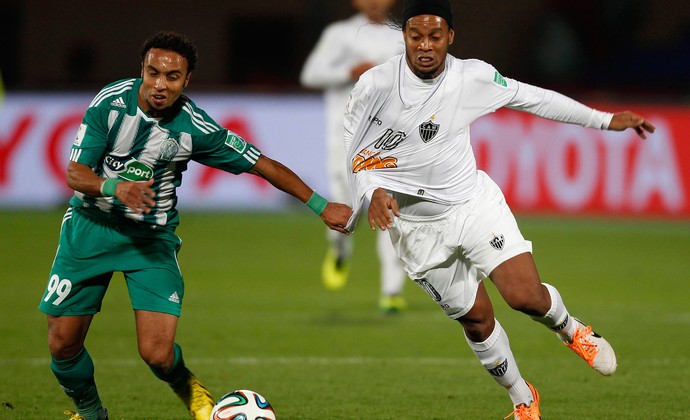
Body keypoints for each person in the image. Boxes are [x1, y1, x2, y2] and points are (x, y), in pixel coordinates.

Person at [343, 0, 655, 418]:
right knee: (476, 320)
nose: (425, 45)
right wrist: (372, 190)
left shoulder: (472, 76)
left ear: (450, 37)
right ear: (404, 37)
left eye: (435, 36)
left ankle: (571, 329)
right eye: (416, 36)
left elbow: (534, 98)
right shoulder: (374, 85)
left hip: (472, 205)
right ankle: (524, 400)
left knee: (524, 296)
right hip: (415, 228)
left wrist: (603, 120)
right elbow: (354, 149)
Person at [39, 31, 352, 420]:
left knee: (157, 353)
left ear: (186, 81)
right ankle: (90, 413)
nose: (159, 84)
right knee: (63, 344)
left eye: (172, 77)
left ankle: (191, 391)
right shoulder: (109, 104)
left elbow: (263, 164)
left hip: (150, 241)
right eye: (152, 73)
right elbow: (75, 173)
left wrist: (321, 206)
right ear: (142, 71)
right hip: (89, 228)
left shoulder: (195, 127)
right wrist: (115, 187)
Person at [300, 0, 408, 312]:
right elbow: (311, 75)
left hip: (389, 139)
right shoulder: (339, 34)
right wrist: (350, 70)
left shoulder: (403, 36)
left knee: (390, 209)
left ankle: (391, 290)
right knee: (346, 212)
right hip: (344, 140)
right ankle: (339, 251)